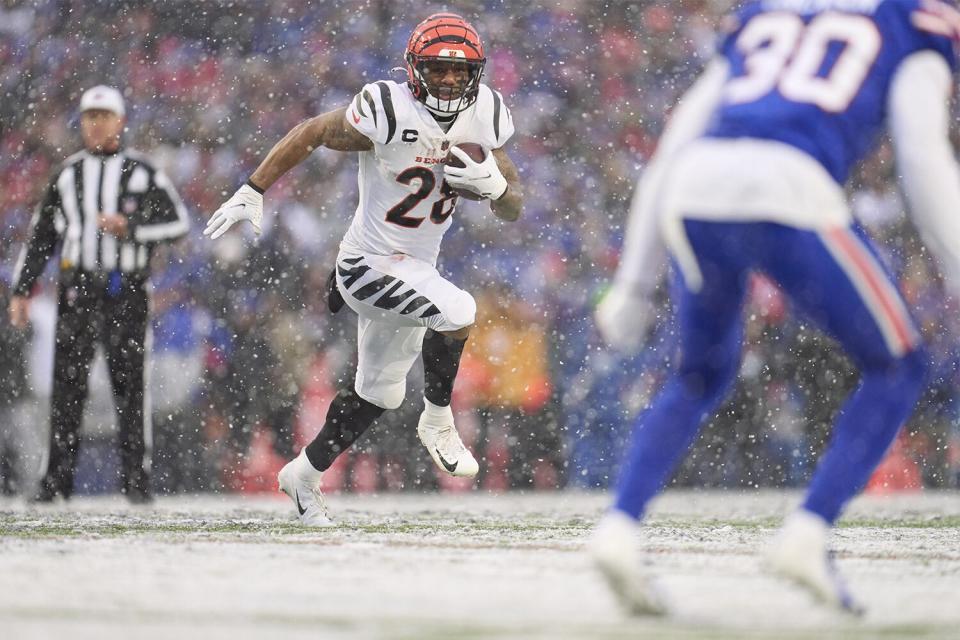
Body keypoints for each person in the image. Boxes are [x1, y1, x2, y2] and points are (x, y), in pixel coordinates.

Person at [590, 0, 960, 615]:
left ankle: (619, 527)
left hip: (696, 184)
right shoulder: (907, 19)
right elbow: (923, 158)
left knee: (700, 372)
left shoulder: (764, 15)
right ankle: (809, 533)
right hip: (789, 185)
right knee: (900, 365)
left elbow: (675, 142)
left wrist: (634, 281)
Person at [205, 13, 523, 525]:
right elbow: (312, 132)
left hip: (413, 270)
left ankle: (303, 476)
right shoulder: (388, 109)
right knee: (459, 309)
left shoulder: (485, 114)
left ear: (476, 76)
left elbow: (514, 207)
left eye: (459, 72)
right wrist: (253, 188)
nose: (448, 79)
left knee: (380, 392)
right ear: (414, 68)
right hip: (366, 265)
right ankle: (438, 421)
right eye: (437, 68)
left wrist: (498, 189)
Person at [9, 85, 190, 503]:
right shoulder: (66, 174)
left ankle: (136, 483)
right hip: (77, 290)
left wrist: (133, 228)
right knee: (66, 387)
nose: (96, 123)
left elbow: (177, 223)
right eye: (89, 116)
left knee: (129, 387)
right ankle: (56, 482)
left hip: (125, 289)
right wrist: (22, 289)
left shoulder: (143, 172)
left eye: (104, 116)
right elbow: (41, 238)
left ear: (120, 121)